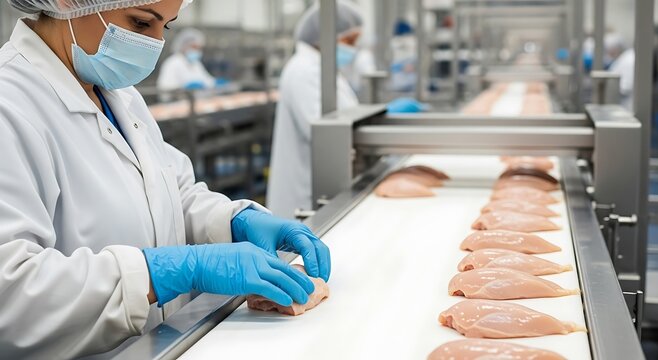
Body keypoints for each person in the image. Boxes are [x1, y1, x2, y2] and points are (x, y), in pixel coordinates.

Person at [0, 0, 330, 358]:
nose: (156, 44)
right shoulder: (11, 104)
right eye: (142, 23)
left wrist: (232, 220)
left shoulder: (119, 95)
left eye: (166, 27)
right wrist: (165, 272)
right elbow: (11, 297)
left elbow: (169, 191)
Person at [267, 1, 427, 219]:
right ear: (324, 35)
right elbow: (330, 135)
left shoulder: (320, 67)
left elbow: (344, 116)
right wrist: (383, 119)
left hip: (322, 185)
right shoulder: (304, 71)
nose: (353, 48)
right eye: (348, 40)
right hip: (305, 195)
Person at [157, 27, 222, 92]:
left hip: (196, 100)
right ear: (184, 45)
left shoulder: (196, 63)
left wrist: (215, 83)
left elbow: (207, 81)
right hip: (177, 101)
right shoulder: (172, 62)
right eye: (194, 47)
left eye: (199, 48)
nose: (197, 51)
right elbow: (165, 88)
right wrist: (184, 88)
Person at [604, 33, 635, 111]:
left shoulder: (629, 60)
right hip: (620, 105)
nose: (609, 53)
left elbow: (626, 87)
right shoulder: (623, 58)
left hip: (626, 106)